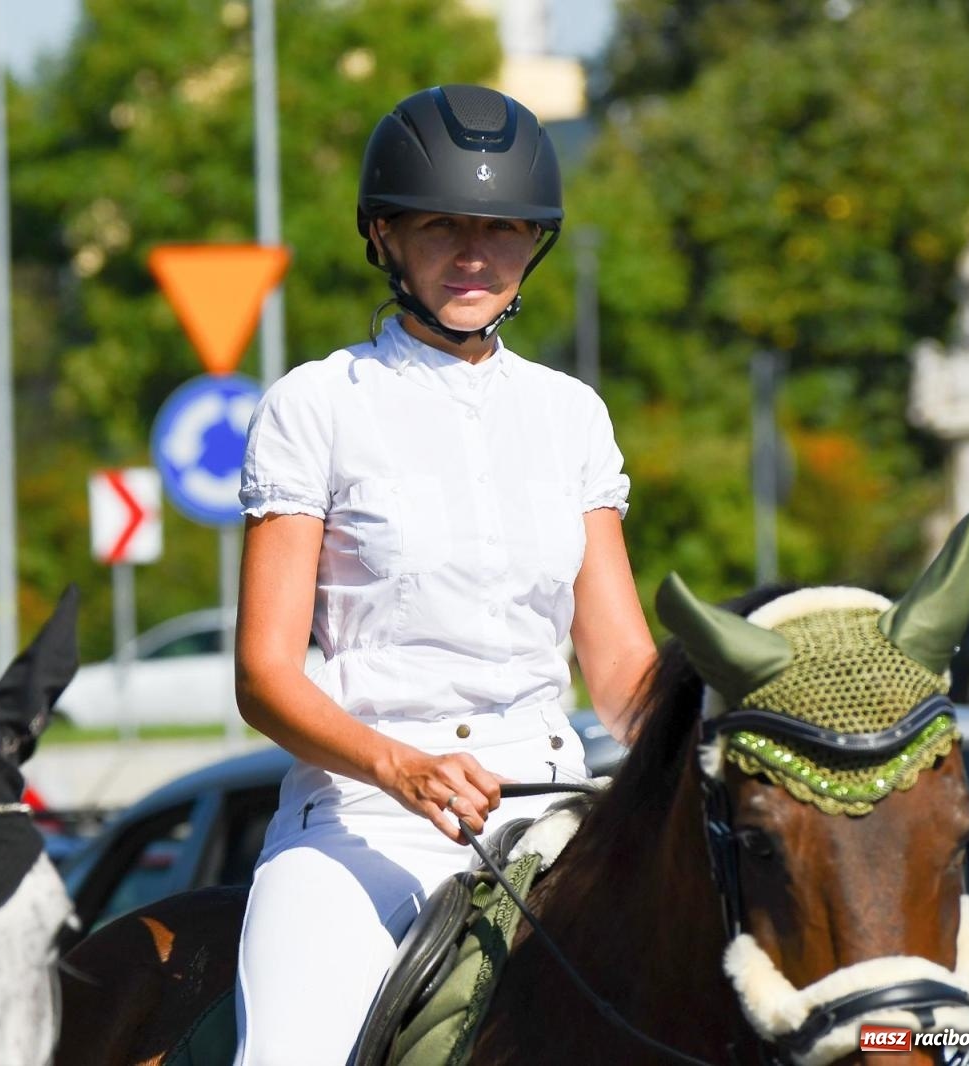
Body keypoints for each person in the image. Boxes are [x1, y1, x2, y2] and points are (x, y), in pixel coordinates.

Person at [231, 85, 658, 1065]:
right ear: (383, 236)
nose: (474, 256)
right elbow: (263, 676)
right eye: (441, 227)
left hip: (552, 810)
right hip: (363, 821)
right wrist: (399, 765)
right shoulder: (315, 405)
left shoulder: (571, 415)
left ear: (533, 244)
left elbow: (621, 664)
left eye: (501, 229)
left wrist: (702, 751)